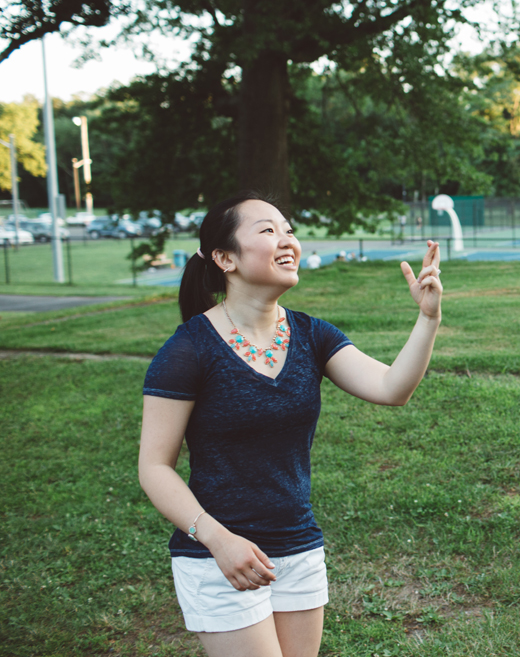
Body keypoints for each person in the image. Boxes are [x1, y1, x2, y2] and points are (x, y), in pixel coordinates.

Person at [138, 192, 445, 656]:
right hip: (218, 556)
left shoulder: (312, 335)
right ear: (225, 258)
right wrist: (220, 541)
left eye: (289, 230)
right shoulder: (188, 350)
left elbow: (391, 388)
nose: (287, 241)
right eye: (267, 231)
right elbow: (154, 467)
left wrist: (428, 318)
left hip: (297, 546)